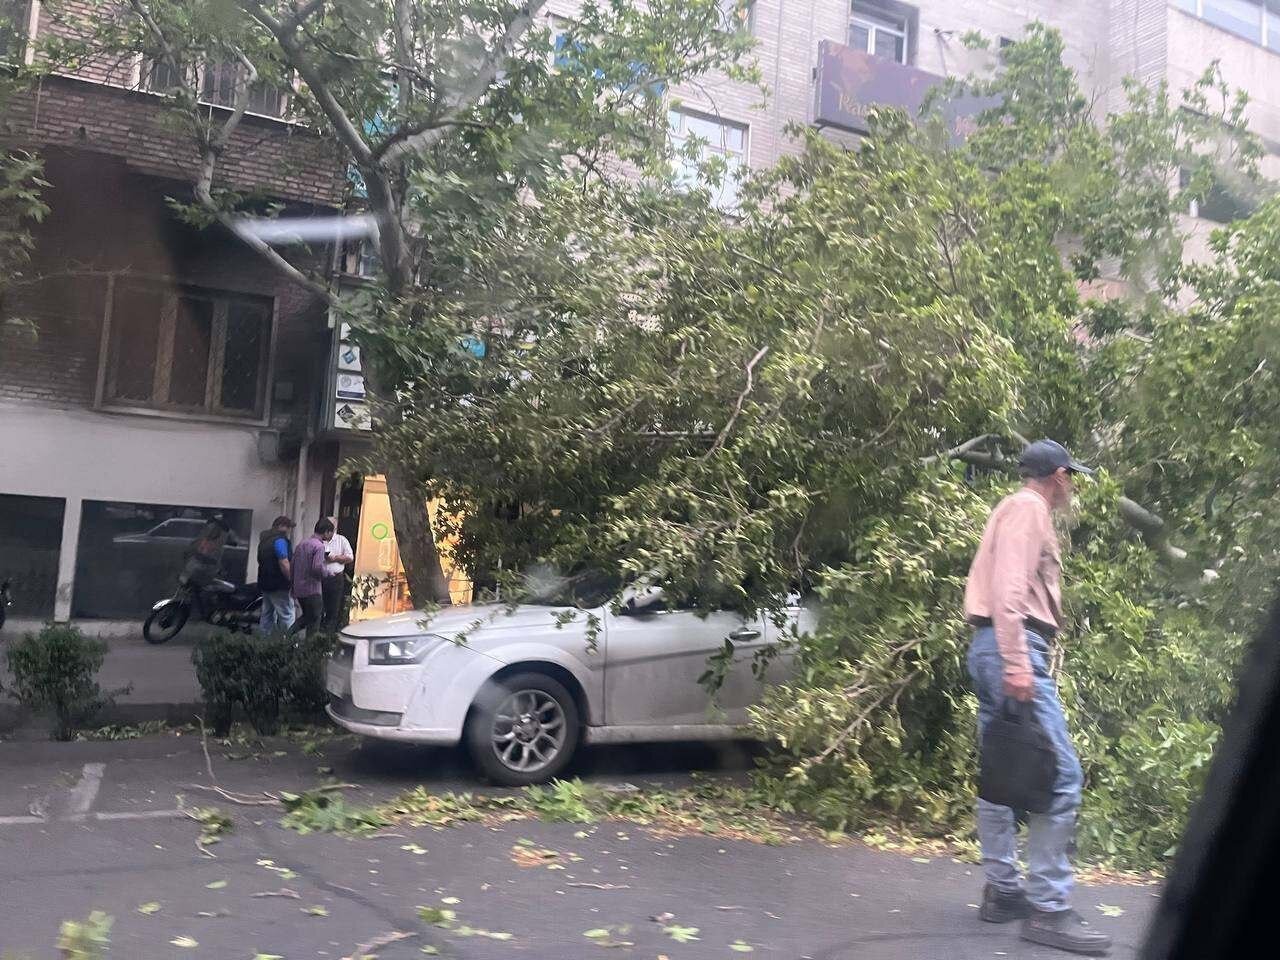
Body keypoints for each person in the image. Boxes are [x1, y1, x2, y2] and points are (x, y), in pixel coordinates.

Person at [963, 439, 1111, 956]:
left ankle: (1004, 892)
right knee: (1061, 775)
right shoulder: (1029, 508)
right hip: (1013, 645)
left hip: (992, 646)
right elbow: (1009, 591)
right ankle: (1049, 908)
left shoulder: (1012, 507)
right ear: (1059, 475)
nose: (1073, 486)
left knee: (1002, 772)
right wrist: (1017, 663)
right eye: (1072, 477)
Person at [290, 518, 334, 638]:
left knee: (307, 617)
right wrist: (327, 573)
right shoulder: (319, 547)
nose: (331, 536)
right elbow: (317, 567)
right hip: (312, 589)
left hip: (299, 589)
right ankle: (309, 646)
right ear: (326, 532)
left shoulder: (301, 544)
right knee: (314, 620)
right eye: (331, 533)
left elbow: (292, 565)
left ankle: (285, 637)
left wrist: (293, 586)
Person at [257, 515, 295, 633]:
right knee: (287, 614)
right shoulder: (280, 540)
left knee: (267, 614)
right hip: (279, 584)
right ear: (280, 526)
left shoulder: (264, 540)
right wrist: (291, 580)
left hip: (265, 582)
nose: (289, 530)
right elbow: (283, 562)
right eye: (288, 527)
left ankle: (263, 640)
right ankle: (289, 641)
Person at [321, 517, 354, 631]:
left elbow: (350, 557)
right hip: (320, 578)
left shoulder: (341, 540)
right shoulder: (319, 540)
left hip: (335, 578)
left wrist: (335, 558)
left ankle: (329, 635)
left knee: (334, 608)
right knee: (319, 608)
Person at [183, 516, 233, 587]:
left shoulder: (218, 547)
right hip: (193, 576)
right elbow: (192, 556)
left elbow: (215, 564)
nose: (211, 530)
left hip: (204, 578)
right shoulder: (201, 542)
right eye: (210, 528)